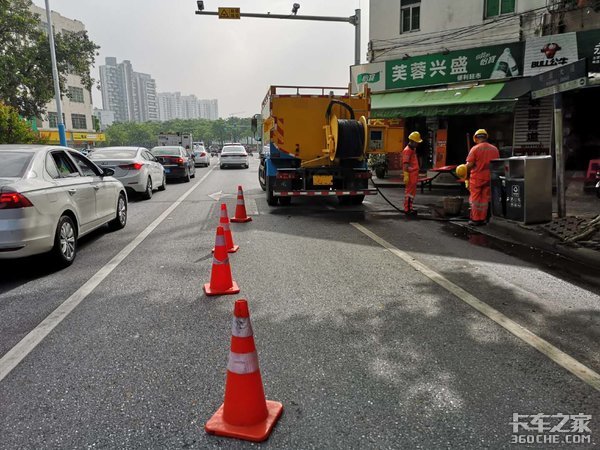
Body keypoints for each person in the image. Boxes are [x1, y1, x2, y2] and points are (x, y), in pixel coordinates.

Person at [465, 129, 499, 226]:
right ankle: (483, 218)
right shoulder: (494, 149)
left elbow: (469, 165)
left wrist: (464, 172)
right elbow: (497, 164)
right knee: (485, 199)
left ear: (475, 138)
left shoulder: (475, 149)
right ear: (486, 137)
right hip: (489, 177)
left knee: (475, 200)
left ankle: (476, 219)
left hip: (477, 178)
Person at [402, 131, 423, 215]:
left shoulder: (412, 149)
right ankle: (407, 209)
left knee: (412, 193)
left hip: (413, 175)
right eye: (416, 142)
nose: (417, 144)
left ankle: (410, 207)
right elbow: (405, 164)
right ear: (412, 141)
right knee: (409, 193)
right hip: (410, 175)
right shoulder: (407, 151)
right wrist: (406, 175)